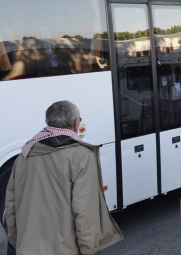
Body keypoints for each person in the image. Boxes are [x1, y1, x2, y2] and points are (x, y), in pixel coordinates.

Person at [5, 101, 123, 254]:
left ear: (48, 122)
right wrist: (89, 250)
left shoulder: (24, 156)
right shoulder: (81, 156)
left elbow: (11, 206)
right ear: (76, 123)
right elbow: (85, 210)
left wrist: (16, 242)